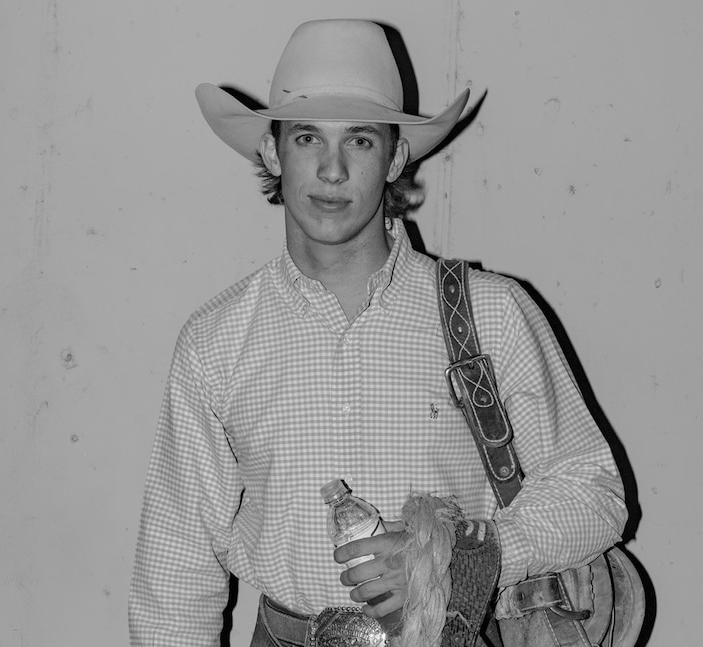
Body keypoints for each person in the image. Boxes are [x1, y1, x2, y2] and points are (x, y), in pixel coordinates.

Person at [128, 19, 627, 647]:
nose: (332, 169)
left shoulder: (490, 313)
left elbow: (596, 493)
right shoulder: (216, 341)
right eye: (307, 136)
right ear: (270, 151)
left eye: (360, 141)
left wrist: (457, 556)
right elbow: (177, 564)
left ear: (394, 157)